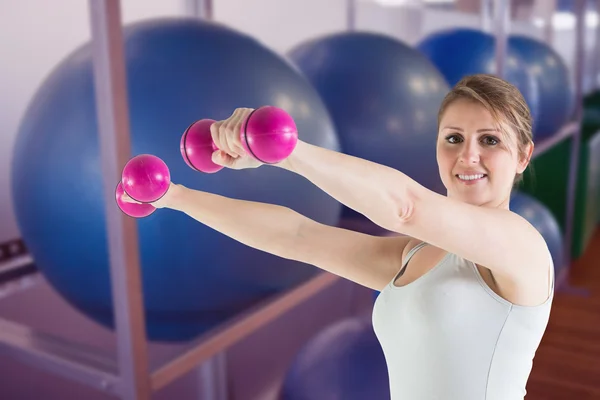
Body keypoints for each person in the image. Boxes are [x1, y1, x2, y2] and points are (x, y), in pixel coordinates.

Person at [122, 74, 554, 399]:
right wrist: (174, 197)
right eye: (453, 138)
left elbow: (408, 207)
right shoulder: (416, 254)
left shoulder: (521, 247)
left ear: (522, 156)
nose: (468, 155)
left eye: (491, 140)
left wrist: (285, 152)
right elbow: (296, 236)